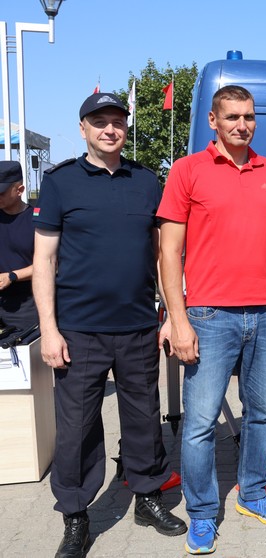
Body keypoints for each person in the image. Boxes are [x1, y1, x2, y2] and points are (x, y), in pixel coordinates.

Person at [32, 93, 186, 558]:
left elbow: (161, 255)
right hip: (78, 331)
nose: (110, 130)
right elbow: (44, 260)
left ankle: (148, 497)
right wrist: (49, 329)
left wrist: (169, 315)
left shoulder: (146, 181)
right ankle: (76, 516)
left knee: (144, 420)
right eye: (99, 122)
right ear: (83, 128)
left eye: (118, 121)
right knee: (77, 428)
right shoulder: (60, 182)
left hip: (138, 327)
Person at [158, 85, 266, 555]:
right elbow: (169, 251)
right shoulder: (187, 170)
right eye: (233, 116)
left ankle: (252, 494)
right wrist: (178, 320)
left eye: (249, 116)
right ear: (213, 121)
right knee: (200, 422)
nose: (243, 124)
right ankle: (202, 513)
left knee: (260, 414)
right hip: (209, 315)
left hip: (265, 314)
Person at [0, 161, 36, 332]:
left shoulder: (38, 220)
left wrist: (12, 276)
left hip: (26, 307)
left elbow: (51, 264)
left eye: (1, 193)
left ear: (19, 190)